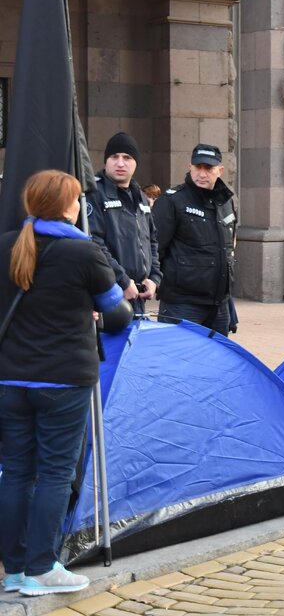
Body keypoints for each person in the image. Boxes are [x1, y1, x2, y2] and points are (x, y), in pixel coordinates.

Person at [0, 171, 125, 597]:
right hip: (64, 381)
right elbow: (118, 313)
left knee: (16, 471)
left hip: (11, 377)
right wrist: (90, 309)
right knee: (54, 473)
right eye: (76, 199)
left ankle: (14, 571)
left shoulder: (6, 246)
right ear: (67, 206)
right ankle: (41, 569)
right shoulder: (83, 252)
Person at [152, 144, 238, 335]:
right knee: (178, 361)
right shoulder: (172, 201)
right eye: (198, 167)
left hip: (219, 305)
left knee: (216, 363)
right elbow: (155, 248)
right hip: (181, 304)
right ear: (189, 167)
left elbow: (229, 248)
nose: (202, 173)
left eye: (208, 168)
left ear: (220, 170)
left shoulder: (226, 202)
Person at [85, 132, 161, 316]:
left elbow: (152, 240)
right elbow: (95, 244)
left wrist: (154, 279)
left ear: (135, 162)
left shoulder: (141, 196)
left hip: (137, 296)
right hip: (108, 296)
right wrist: (123, 281)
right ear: (106, 161)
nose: (120, 163)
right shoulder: (94, 194)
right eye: (114, 157)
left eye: (127, 157)